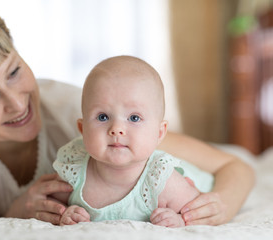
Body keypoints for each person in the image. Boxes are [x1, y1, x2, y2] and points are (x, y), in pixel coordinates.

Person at [0, 0, 254, 226]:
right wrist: (17, 211)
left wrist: (222, 203)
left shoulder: (87, 113)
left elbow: (233, 165)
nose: (17, 104)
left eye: (14, 71)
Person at [53, 56, 215, 227]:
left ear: (159, 133)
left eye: (134, 117)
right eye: (103, 117)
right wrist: (66, 212)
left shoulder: (163, 181)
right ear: (82, 129)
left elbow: (198, 211)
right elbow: (52, 203)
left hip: (198, 178)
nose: (117, 128)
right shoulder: (73, 171)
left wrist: (179, 219)